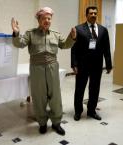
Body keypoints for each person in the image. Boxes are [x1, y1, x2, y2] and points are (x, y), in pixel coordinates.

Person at [11, 7, 76, 135]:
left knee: (55, 96)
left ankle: (56, 123)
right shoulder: (31, 33)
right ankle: (42, 123)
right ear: (39, 20)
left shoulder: (55, 34)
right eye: (44, 18)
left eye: (49, 18)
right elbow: (20, 44)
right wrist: (16, 33)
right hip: (37, 68)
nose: (47, 20)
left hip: (52, 66)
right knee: (39, 97)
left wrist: (72, 37)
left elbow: (65, 45)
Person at [71, 6, 112, 121]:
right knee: (79, 89)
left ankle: (91, 111)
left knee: (95, 88)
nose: (93, 15)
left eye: (95, 13)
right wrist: (74, 64)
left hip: (97, 65)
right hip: (82, 65)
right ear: (86, 15)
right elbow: (73, 48)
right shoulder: (78, 29)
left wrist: (108, 64)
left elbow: (106, 48)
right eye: (91, 13)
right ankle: (78, 111)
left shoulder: (103, 30)